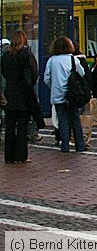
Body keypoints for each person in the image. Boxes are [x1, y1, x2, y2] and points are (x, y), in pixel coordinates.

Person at [1, 31, 40, 163]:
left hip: (10, 92)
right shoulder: (27, 54)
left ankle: (9, 155)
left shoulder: (6, 55)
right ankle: (21, 155)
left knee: (10, 126)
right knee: (23, 126)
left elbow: (4, 72)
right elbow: (34, 73)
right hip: (24, 93)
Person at [43, 36, 86, 153]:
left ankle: (65, 145)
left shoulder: (52, 60)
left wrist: (54, 86)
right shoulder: (73, 59)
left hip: (57, 94)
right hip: (73, 95)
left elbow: (46, 78)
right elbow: (81, 73)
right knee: (75, 119)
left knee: (62, 120)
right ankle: (80, 145)